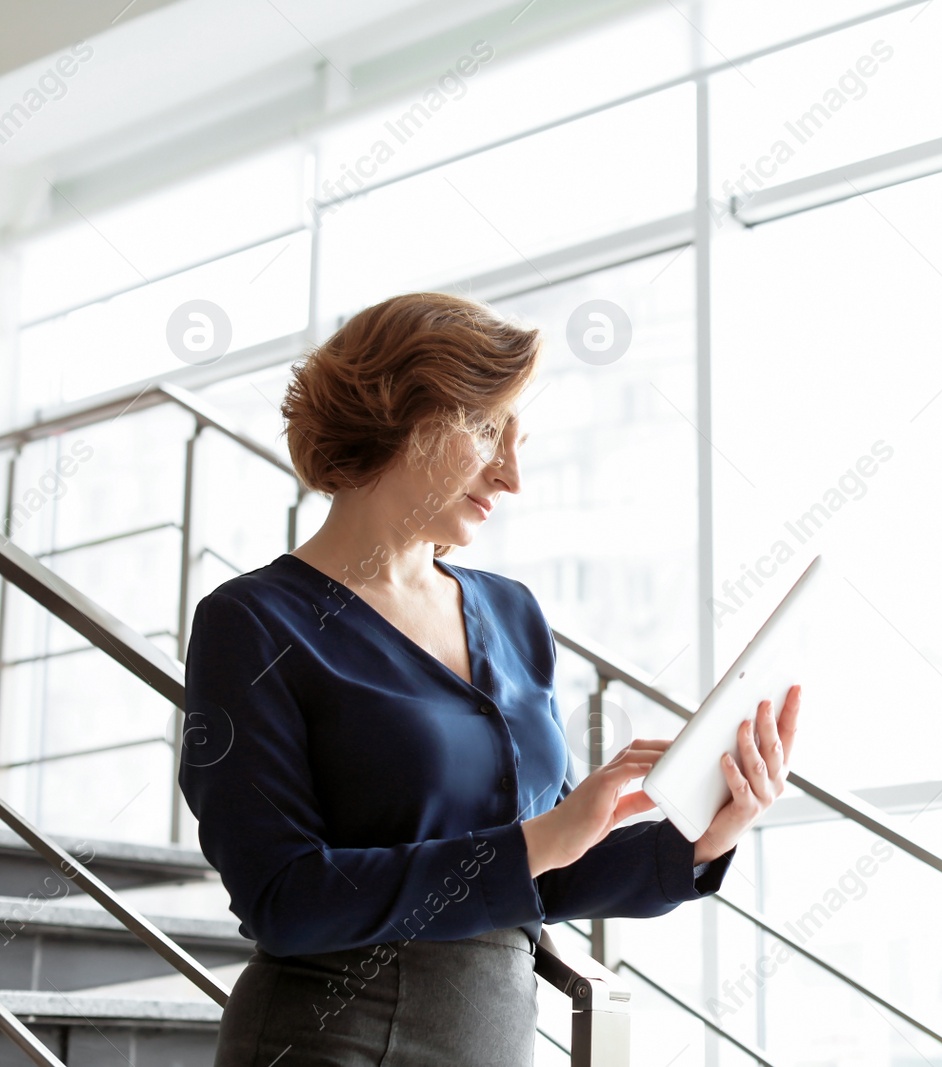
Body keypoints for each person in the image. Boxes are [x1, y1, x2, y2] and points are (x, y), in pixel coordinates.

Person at [178, 291, 800, 1066]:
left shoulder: (512, 614)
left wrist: (703, 838)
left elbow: (547, 872)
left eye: (520, 440)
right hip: (331, 1040)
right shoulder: (255, 622)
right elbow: (283, 897)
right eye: (484, 431)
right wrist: (539, 840)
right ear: (397, 413)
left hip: (491, 1038)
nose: (511, 475)